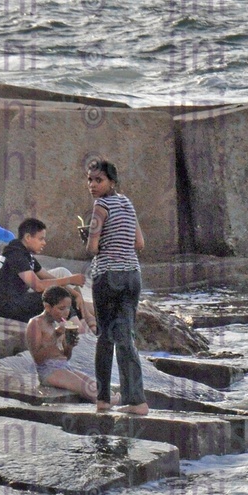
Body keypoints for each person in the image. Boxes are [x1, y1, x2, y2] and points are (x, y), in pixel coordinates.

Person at [84, 159, 148, 416]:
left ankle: (103, 399)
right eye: (89, 179)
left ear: (111, 182)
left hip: (108, 276)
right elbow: (140, 243)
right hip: (132, 276)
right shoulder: (127, 203)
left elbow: (92, 247)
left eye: (98, 180)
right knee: (126, 337)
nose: (92, 185)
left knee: (105, 338)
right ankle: (136, 400)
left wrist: (87, 238)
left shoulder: (100, 207)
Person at [0, 218, 90, 325]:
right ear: (28, 237)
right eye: (41, 239)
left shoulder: (25, 253)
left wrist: (75, 294)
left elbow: (48, 277)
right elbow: (38, 286)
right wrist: (70, 280)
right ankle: (77, 327)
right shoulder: (16, 254)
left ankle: (86, 318)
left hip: (14, 299)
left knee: (61, 275)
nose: (44, 243)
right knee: (54, 298)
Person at [26, 287, 102, 402]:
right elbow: (38, 358)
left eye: (68, 308)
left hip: (64, 367)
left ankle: (111, 401)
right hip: (48, 371)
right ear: (47, 306)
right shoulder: (36, 323)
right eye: (61, 308)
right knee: (89, 391)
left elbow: (65, 357)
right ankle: (104, 404)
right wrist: (56, 334)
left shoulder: (58, 323)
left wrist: (69, 346)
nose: (66, 312)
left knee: (99, 387)